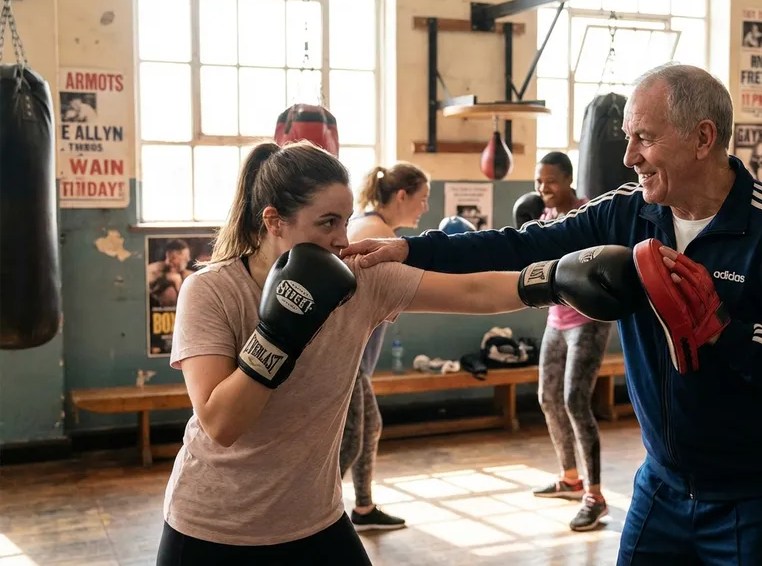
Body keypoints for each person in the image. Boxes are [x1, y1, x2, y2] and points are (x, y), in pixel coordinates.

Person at [341, 63, 762, 565]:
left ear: (703, 139)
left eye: (645, 139)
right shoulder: (628, 211)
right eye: (626, 137)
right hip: (663, 485)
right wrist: (413, 249)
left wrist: (726, 332)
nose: (629, 156)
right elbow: (523, 243)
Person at [156, 141, 572, 564]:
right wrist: (279, 332)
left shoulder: (360, 279)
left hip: (314, 519)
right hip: (213, 529)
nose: (342, 238)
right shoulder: (211, 290)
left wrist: (558, 280)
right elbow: (221, 425)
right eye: (327, 222)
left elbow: (472, 289)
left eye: (347, 220)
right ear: (274, 220)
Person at [339, 162, 431, 532]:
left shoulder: (372, 226)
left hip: (355, 359)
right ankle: (310, 513)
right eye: (421, 199)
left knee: (369, 426)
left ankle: (362, 507)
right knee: (350, 440)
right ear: (402, 195)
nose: (424, 208)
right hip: (345, 359)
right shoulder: (376, 232)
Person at [528, 151, 613, 531]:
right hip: (556, 320)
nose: (543, 188)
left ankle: (595, 496)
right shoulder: (545, 218)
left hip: (589, 321)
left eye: (551, 181)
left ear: (569, 179)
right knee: (547, 397)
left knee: (575, 401)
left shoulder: (586, 215)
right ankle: (570, 477)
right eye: (538, 181)